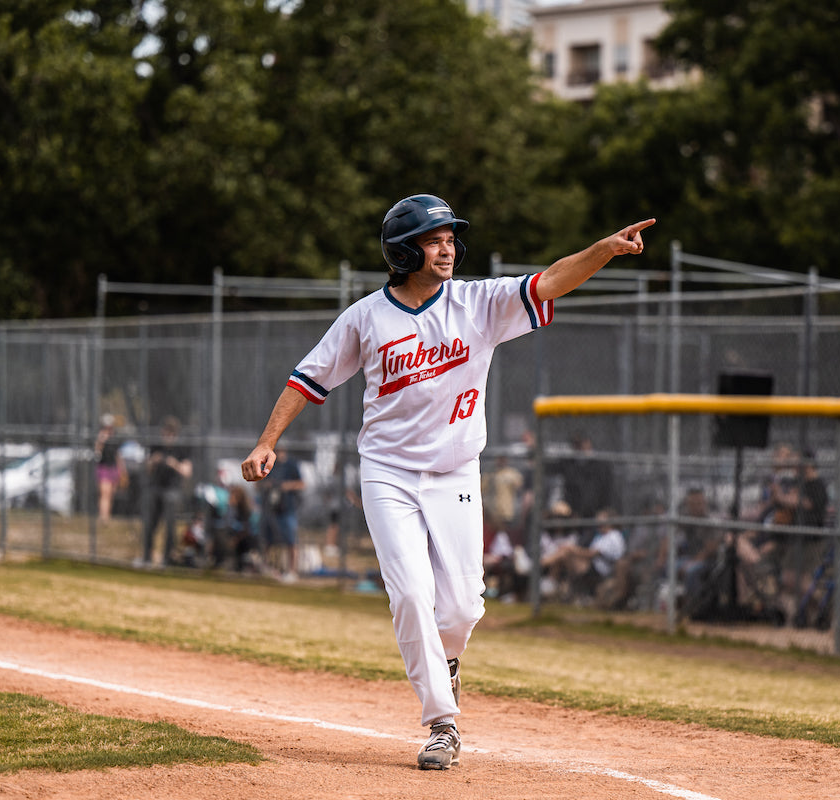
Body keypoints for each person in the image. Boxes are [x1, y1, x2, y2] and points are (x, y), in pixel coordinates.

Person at [240, 193, 654, 770]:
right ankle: (442, 722)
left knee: (461, 608)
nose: (448, 249)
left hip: (457, 470)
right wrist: (267, 440)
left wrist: (603, 251)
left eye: (451, 239)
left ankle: (448, 660)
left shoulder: (478, 303)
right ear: (405, 251)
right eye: (435, 241)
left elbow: (551, 281)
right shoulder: (367, 317)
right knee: (410, 592)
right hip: (387, 472)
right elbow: (308, 378)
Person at [139, 416, 193, 568]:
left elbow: (187, 472)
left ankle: (167, 558)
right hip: (155, 488)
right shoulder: (156, 446)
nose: (167, 436)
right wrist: (153, 461)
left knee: (170, 525)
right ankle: (147, 556)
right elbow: (147, 469)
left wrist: (173, 463)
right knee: (150, 523)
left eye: (171, 433)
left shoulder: (181, 449)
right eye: (165, 432)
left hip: (172, 490)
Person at [259, 446, 305, 582]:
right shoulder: (269, 465)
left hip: (287, 508)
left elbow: (302, 484)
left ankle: (292, 571)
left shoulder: (291, 465)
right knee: (268, 539)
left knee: (291, 540)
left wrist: (286, 486)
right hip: (270, 508)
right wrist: (266, 485)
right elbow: (257, 484)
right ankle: (266, 567)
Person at [93, 414, 125, 522]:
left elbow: (117, 455)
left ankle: (107, 515)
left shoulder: (115, 438)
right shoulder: (101, 437)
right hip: (104, 467)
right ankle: (103, 516)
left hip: (113, 468)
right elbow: (97, 452)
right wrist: (101, 440)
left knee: (110, 494)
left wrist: (121, 469)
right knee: (104, 492)